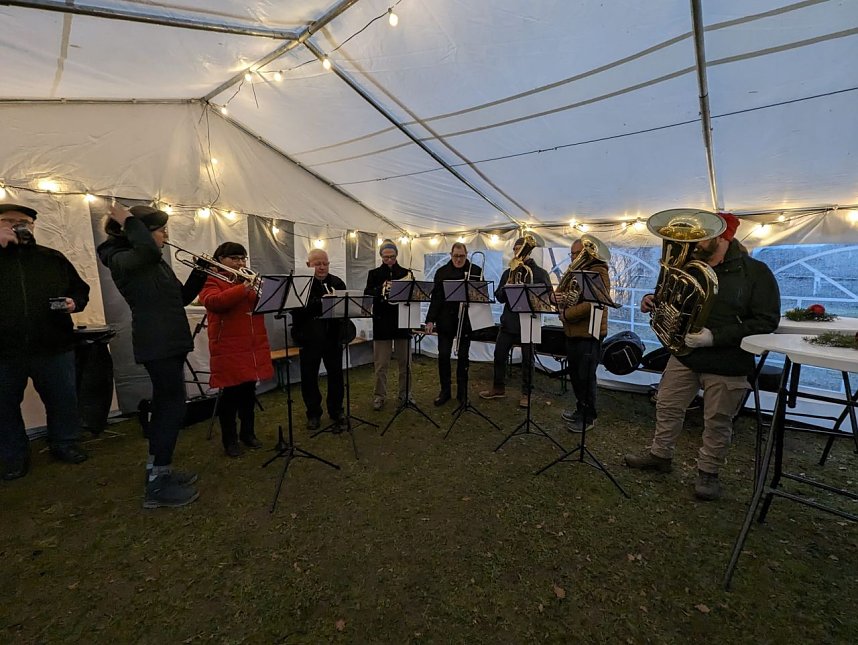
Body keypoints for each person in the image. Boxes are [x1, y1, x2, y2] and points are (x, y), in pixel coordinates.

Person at [624, 213, 781, 501]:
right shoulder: (687, 267)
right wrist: (653, 300)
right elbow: (671, 298)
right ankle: (660, 455)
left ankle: (708, 472)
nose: (694, 241)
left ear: (724, 237)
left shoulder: (755, 273)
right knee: (667, 405)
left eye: (702, 235)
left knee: (718, 420)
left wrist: (715, 336)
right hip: (685, 355)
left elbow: (766, 321)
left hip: (728, 361)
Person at [97, 203, 207, 508]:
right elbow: (147, 251)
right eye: (160, 230)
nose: (165, 236)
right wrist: (131, 221)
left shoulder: (150, 260)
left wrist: (200, 273)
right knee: (169, 409)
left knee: (170, 406)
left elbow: (179, 298)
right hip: (156, 340)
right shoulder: (119, 256)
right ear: (140, 232)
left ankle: (161, 470)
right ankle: (157, 483)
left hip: (169, 338)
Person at [0, 203, 90, 480]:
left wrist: (75, 303)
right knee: (3, 406)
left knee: (62, 398)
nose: (18, 225)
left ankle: (65, 443)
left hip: (53, 346)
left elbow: (80, 290)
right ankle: (13, 456)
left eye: (24, 221)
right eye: (9, 221)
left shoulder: (52, 258)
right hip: (4, 351)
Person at [199, 242, 273, 457]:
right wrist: (244, 288)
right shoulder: (212, 279)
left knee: (249, 394)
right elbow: (214, 302)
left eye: (243, 258)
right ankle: (229, 440)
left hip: (251, 346)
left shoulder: (247, 280)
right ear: (220, 259)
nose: (240, 262)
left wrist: (262, 290)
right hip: (229, 346)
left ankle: (248, 434)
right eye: (234, 258)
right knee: (230, 397)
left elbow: (263, 304)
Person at [479, 237, 552, 408]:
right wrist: (507, 285)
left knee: (528, 359)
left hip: (529, 322)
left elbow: (547, 299)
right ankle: (498, 388)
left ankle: (527, 393)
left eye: (521, 249)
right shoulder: (508, 272)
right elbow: (499, 297)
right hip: (509, 322)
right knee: (499, 355)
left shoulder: (540, 273)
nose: (518, 253)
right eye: (515, 249)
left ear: (529, 251)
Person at [290, 249, 347, 431]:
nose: (322, 267)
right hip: (309, 339)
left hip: (332, 337)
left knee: (336, 376)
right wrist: (322, 302)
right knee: (309, 378)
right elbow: (296, 310)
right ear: (308, 265)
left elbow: (344, 309)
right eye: (317, 264)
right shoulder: (301, 284)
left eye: (325, 263)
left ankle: (336, 410)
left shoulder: (337, 282)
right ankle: (313, 414)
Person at [558, 237, 610, 431]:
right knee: (575, 374)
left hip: (590, 332)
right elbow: (563, 292)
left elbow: (595, 303)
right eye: (571, 253)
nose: (572, 257)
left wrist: (566, 314)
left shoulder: (598, 271)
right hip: (572, 331)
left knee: (586, 375)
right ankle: (580, 409)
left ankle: (589, 417)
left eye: (576, 253)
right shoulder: (573, 272)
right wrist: (557, 297)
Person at [425, 242, 483, 406]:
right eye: (456, 256)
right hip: (445, 320)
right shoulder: (441, 272)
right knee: (443, 356)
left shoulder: (476, 271)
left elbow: (481, 297)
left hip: (466, 320)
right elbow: (435, 298)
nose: (458, 259)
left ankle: (462, 394)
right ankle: (445, 392)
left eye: (462, 256)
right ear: (451, 255)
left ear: (467, 255)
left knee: (463, 358)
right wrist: (430, 320)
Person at [364, 240, 412, 411]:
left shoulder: (406, 273)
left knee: (405, 363)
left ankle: (405, 394)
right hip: (382, 322)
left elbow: (412, 296)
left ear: (396, 255)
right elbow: (368, 294)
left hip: (402, 321)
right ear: (381, 257)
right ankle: (379, 396)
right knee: (381, 364)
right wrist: (382, 288)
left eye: (392, 257)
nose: (389, 260)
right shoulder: (374, 274)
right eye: (386, 257)